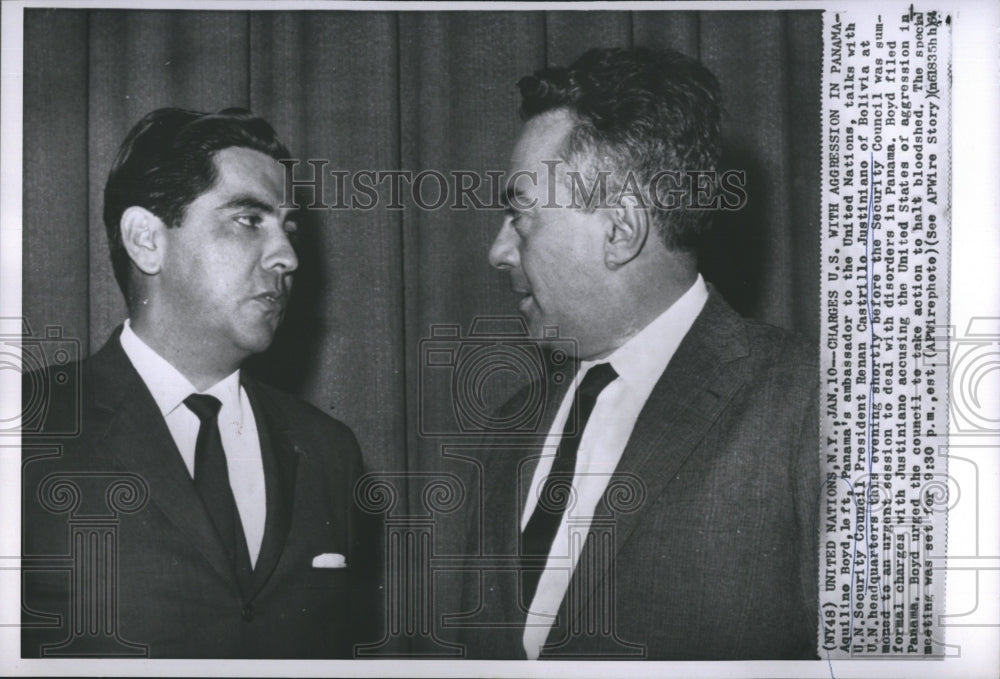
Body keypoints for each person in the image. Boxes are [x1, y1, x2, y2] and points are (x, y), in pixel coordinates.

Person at [459, 47, 819, 660]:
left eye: (521, 217)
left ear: (620, 231)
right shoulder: (509, 425)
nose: (498, 251)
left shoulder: (811, 406)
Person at [21, 108, 379, 658]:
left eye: (288, 228)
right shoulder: (25, 430)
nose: (287, 256)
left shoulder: (329, 452)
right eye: (248, 219)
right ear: (146, 241)